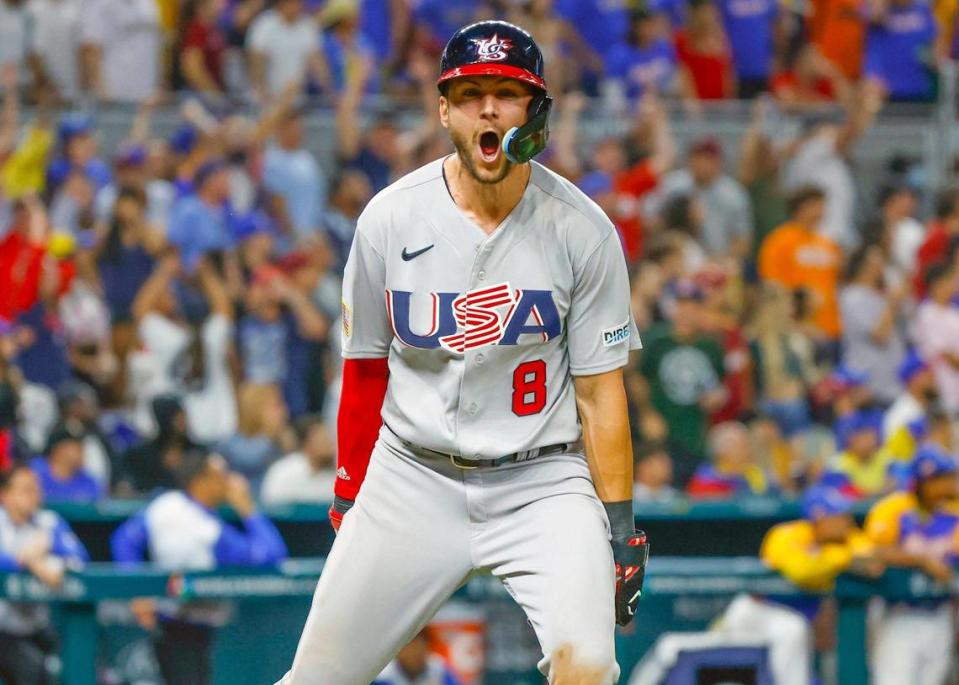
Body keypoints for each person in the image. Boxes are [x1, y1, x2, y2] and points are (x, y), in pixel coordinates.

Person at [277, 21, 648, 685]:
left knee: (587, 669)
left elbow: (599, 390)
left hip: (542, 480)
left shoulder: (582, 229)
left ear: (534, 112)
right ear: (443, 108)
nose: (488, 108)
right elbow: (365, 364)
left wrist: (619, 525)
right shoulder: (390, 218)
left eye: (507, 93)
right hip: (412, 474)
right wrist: (348, 485)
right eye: (470, 92)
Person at [111, 450, 287, 685]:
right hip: (180, 624)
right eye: (221, 475)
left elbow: (122, 541)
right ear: (199, 481)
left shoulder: (169, 504)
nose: (228, 481)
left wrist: (137, 590)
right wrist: (248, 509)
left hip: (186, 622)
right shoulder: (198, 525)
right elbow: (271, 554)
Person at [864, 445, 959, 685]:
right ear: (923, 483)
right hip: (897, 612)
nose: (948, 484)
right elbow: (872, 552)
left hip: (941, 612)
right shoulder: (894, 509)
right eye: (940, 479)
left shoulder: (953, 513)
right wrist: (921, 560)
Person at [0, 464, 89, 685]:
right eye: (25, 489)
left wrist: (51, 561)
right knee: (31, 669)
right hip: (3, 627)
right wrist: (28, 562)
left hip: (38, 625)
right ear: (5, 494)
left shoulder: (48, 521)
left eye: (36, 489)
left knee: (66, 666)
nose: (34, 495)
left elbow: (80, 558)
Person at [636, 280, 726, 485]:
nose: (687, 312)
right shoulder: (657, 340)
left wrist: (717, 396)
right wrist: (647, 413)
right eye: (682, 305)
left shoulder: (710, 346)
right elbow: (637, 378)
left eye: (693, 306)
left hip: (695, 433)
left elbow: (719, 385)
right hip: (662, 433)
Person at [759, 185, 843, 349]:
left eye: (822, 205)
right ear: (800, 208)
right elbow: (773, 290)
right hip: (798, 331)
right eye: (814, 205)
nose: (820, 211)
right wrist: (794, 324)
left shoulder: (828, 244)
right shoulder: (779, 241)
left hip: (830, 329)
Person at [651, 137, 753, 259]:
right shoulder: (672, 185)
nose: (702, 164)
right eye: (698, 158)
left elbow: (743, 241)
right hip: (675, 255)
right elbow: (653, 224)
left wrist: (718, 261)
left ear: (719, 162)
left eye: (708, 159)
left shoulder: (733, 194)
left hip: (719, 259)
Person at [839, 244, 908, 406]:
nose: (883, 267)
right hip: (870, 385)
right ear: (866, 266)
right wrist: (892, 304)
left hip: (892, 382)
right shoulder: (852, 296)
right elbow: (879, 335)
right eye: (879, 263)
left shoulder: (879, 296)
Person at [914, 262, 959, 416]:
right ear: (937, 284)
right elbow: (945, 354)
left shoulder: (953, 312)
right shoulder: (927, 313)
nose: (953, 285)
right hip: (943, 390)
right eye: (949, 280)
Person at [261, 415, 337, 506]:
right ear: (306, 444)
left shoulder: (337, 475)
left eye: (328, 438)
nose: (329, 444)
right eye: (322, 439)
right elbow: (271, 507)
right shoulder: (283, 471)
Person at [687, 421, 774, 498]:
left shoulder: (755, 473)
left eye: (748, 445)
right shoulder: (704, 480)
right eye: (741, 446)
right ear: (722, 451)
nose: (748, 451)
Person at [30, 423, 102, 504]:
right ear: (58, 448)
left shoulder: (89, 481)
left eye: (81, 446)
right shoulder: (33, 472)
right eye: (76, 446)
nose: (82, 452)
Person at [374, 627, 462, 685]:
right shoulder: (384, 677)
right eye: (411, 646)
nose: (416, 652)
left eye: (422, 644)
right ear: (398, 650)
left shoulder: (439, 669)